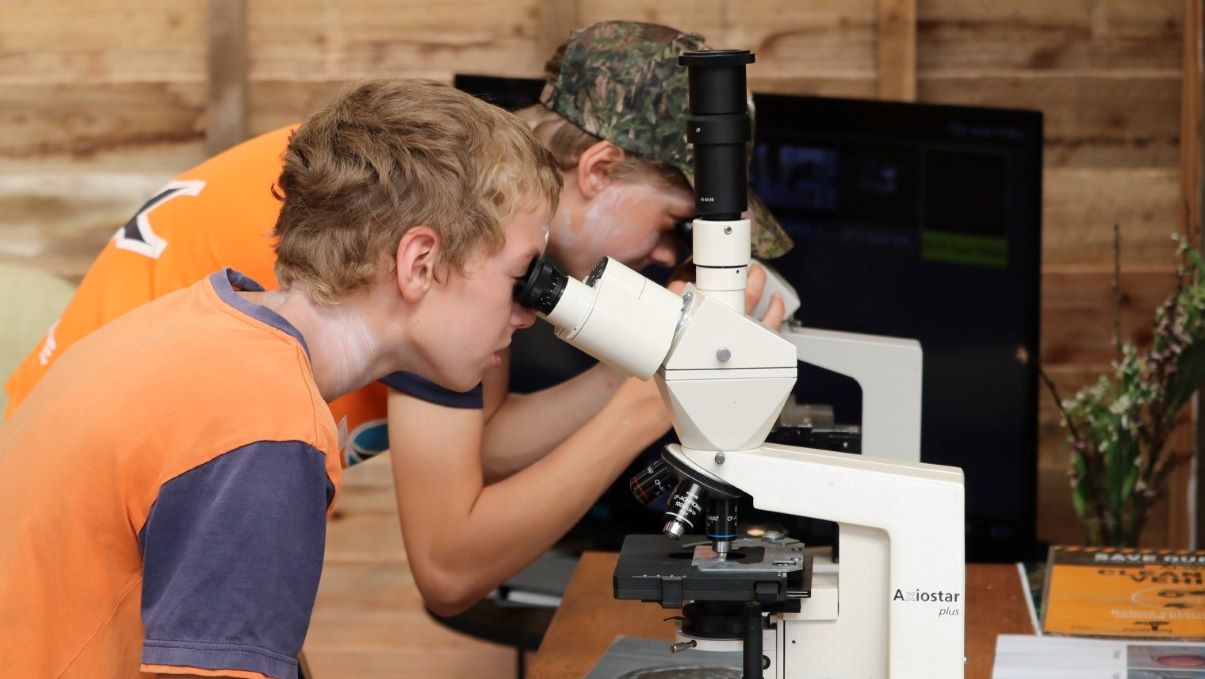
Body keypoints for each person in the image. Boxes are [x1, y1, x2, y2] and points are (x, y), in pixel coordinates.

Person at [3, 21, 792, 615]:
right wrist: (643, 406)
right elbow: (448, 565)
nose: (665, 259)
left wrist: (650, 364)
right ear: (597, 170)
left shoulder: (450, 193)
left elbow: (478, 442)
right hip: (75, 577)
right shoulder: (456, 233)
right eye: (667, 228)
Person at [0, 79, 572, 677]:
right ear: (419, 264)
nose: (526, 313)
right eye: (518, 276)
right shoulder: (264, 428)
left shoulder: (200, 321)